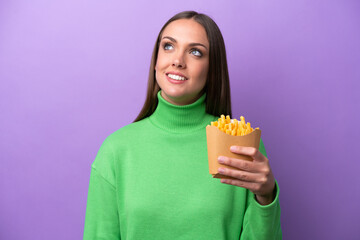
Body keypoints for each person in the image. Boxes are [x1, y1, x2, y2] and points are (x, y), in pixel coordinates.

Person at [83, 10, 282, 240]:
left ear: (212, 68)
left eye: (195, 52)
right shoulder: (116, 150)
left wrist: (266, 197)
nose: (177, 60)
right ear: (156, 60)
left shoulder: (239, 144)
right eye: (168, 46)